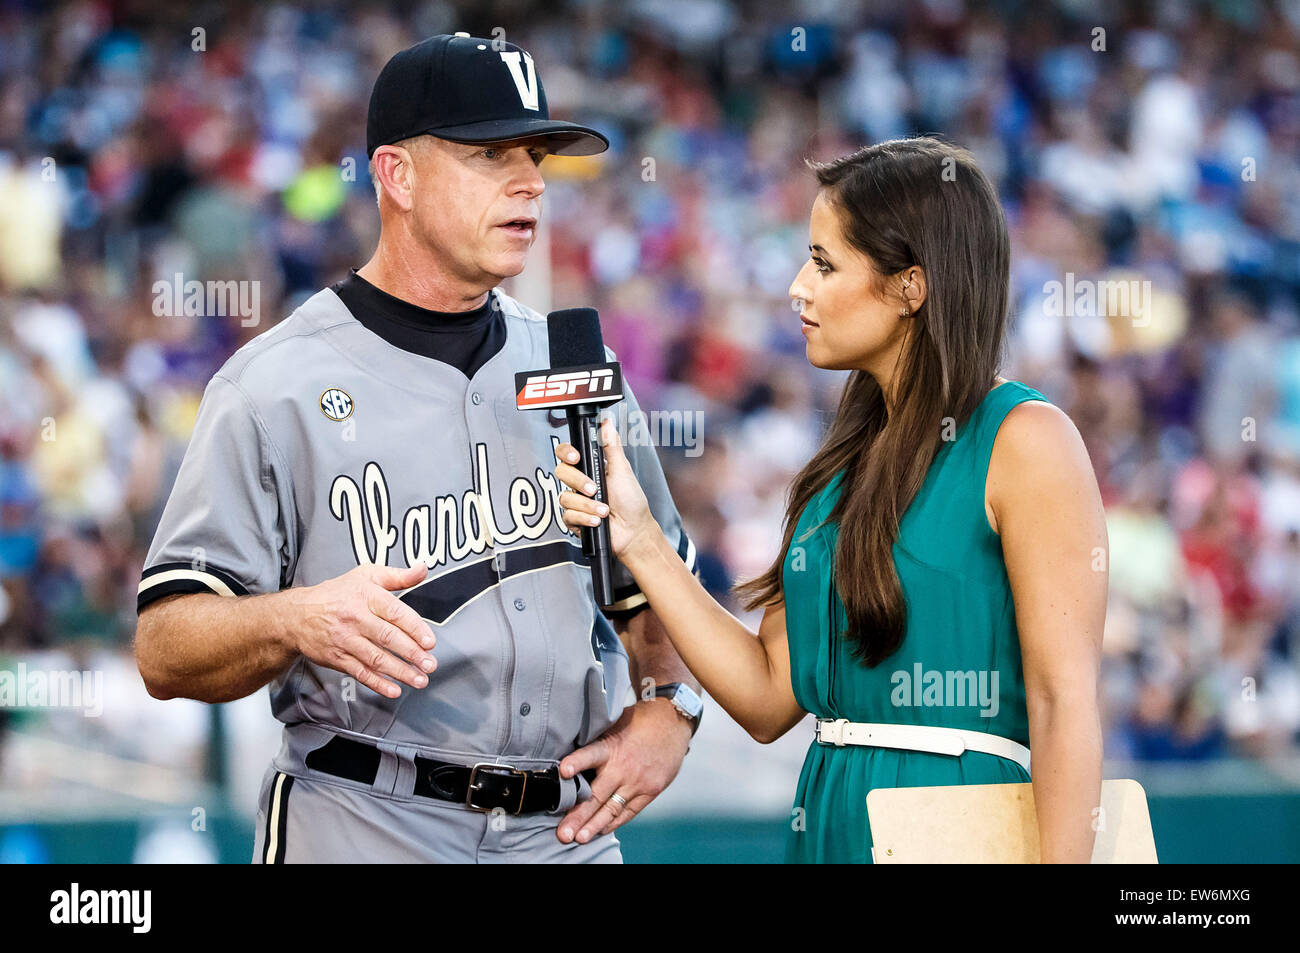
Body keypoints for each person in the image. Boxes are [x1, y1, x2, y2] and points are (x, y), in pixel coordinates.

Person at [134, 33, 703, 863]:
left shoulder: (579, 365)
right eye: (490, 153)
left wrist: (669, 710)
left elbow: (654, 586)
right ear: (396, 175)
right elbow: (163, 644)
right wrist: (294, 617)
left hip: (563, 830)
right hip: (366, 815)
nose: (532, 182)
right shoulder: (272, 385)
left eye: (537, 153)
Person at [552, 137, 1108, 863]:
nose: (796, 286)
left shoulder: (1027, 439)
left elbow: (1064, 706)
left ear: (911, 286)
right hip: (827, 821)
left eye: (823, 262)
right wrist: (639, 538)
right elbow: (766, 697)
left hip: (969, 829)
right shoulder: (837, 467)